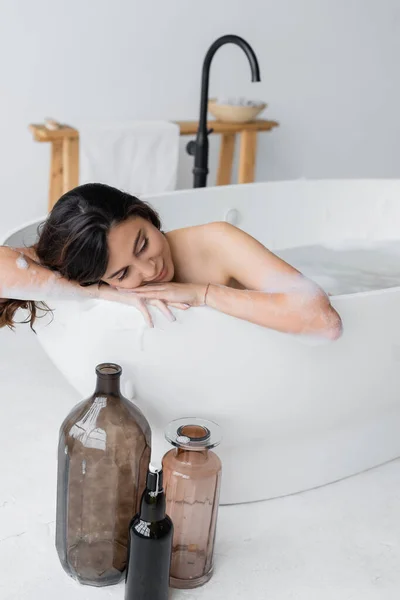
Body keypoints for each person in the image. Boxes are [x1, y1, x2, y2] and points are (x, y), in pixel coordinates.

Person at [0, 183, 342, 338]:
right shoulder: (93, 277)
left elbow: (322, 319)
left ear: (144, 214)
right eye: (123, 272)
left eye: (143, 243)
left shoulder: (216, 242)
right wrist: (99, 293)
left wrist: (202, 293)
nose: (150, 269)